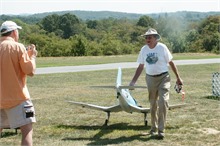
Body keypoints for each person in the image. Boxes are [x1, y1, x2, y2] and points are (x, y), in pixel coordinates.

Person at [129, 28, 183, 139]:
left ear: (155, 38)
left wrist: (178, 77)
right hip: (150, 79)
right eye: (146, 37)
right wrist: (133, 81)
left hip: (164, 77)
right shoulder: (144, 49)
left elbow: (171, 62)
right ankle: (153, 128)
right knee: (153, 104)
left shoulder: (162, 48)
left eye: (150, 37)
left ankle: (161, 130)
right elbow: (140, 66)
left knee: (163, 102)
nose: (147, 39)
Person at [0, 21, 37, 146]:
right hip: (18, 98)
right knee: (27, 131)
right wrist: (32, 57)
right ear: (15, 32)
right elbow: (30, 71)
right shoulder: (18, 47)